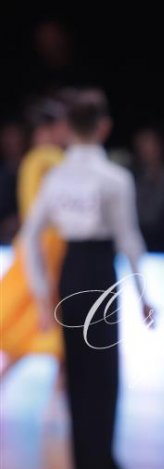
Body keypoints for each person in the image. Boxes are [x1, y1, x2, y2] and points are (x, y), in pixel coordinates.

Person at [21, 88, 156, 469]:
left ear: (67, 127)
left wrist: (42, 296)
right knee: (103, 378)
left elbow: (29, 237)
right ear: (103, 127)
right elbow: (129, 239)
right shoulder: (113, 178)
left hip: (70, 272)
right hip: (98, 272)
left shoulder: (56, 177)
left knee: (79, 377)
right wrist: (144, 295)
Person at [0, 94, 70, 380]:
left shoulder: (38, 159)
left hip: (43, 250)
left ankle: (57, 401)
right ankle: (58, 402)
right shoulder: (46, 159)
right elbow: (35, 214)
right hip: (44, 251)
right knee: (40, 329)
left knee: (39, 333)